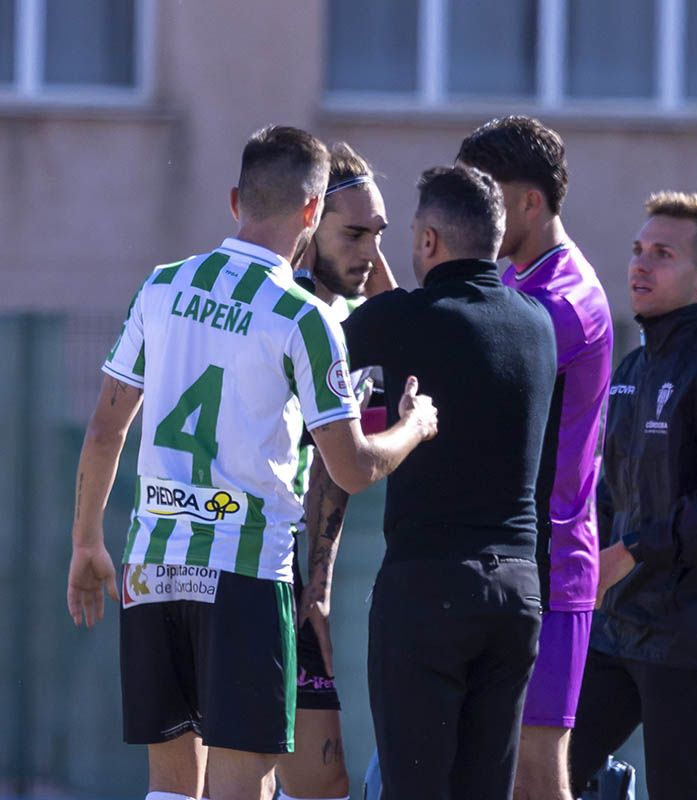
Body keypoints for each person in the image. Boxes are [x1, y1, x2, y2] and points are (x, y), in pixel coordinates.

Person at [65, 126, 437, 800]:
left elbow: (103, 429)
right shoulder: (300, 316)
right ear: (313, 213)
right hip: (243, 573)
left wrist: (87, 541)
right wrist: (413, 428)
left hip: (152, 569)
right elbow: (351, 468)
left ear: (236, 198)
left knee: (173, 789)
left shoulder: (162, 285)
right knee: (244, 788)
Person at [326, 164, 557, 799]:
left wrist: (354, 245)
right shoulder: (537, 325)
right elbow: (438, 323)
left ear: (427, 241)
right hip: (516, 592)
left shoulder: (404, 320)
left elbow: (324, 345)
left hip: (430, 588)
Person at [568, 192, 697, 800]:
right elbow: (609, 493)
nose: (640, 264)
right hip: (617, 624)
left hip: (692, 633)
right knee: (544, 771)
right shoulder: (632, 371)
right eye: (638, 250)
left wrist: (628, 553)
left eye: (662, 253)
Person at [457, 115, 614, 800]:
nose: (477, 214)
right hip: (503, 557)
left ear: (529, 202)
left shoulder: (567, 298)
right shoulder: (517, 282)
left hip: (551, 563)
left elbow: (478, 364)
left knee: (535, 766)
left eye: (487, 195)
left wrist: (396, 305)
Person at [277, 141, 394, 800]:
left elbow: (406, 326)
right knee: (289, 775)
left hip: (301, 562)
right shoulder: (282, 308)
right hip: (253, 554)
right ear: (308, 219)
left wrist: (318, 581)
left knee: (313, 780)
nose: (369, 253)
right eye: (352, 233)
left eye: (378, 235)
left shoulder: (356, 320)